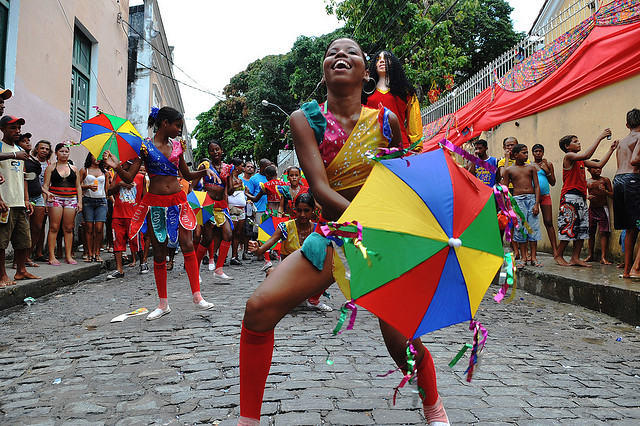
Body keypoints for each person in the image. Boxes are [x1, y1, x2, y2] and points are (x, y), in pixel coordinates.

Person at [238, 38, 449, 426]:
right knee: (258, 309)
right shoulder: (304, 119)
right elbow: (319, 189)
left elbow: (402, 181)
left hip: (381, 239)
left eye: (351, 53)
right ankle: (247, 420)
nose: (340, 56)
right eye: (332, 52)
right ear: (324, 70)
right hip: (335, 234)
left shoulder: (387, 121)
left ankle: (435, 410)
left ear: (366, 73)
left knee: (400, 340)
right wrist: (361, 223)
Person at [103, 106, 218, 320]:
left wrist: (204, 171)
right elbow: (128, 178)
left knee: (188, 244)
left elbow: (186, 173)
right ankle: (163, 303)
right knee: (159, 252)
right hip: (154, 203)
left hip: (178, 201)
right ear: (165, 123)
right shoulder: (145, 147)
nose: (179, 131)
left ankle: (197, 296)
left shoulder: (178, 146)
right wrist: (116, 166)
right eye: (177, 126)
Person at [249, 193, 332, 312]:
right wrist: (256, 249)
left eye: (306, 210)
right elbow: (262, 250)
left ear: (313, 211)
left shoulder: (317, 229)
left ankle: (313, 300)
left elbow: (330, 212)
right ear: (294, 210)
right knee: (271, 272)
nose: (302, 214)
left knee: (333, 268)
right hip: (288, 276)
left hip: (309, 276)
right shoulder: (285, 227)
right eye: (299, 210)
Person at [555, 130, 617, 267]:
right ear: (567, 146)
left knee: (582, 229)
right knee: (568, 227)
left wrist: (611, 150)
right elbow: (588, 154)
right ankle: (558, 255)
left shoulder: (581, 161)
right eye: (575, 141)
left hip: (581, 198)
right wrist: (600, 137)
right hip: (570, 197)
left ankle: (575, 258)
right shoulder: (569, 157)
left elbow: (599, 164)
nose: (579, 143)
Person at [0, 115, 39, 286]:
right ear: (3, 129)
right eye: (12, 128)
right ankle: (2, 275)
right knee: (1, 242)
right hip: (5, 203)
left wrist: (27, 200)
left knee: (24, 240)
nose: (17, 131)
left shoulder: (19, 150)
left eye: (18, 128)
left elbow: (23, 177)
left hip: (19, 203)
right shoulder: (2, 147)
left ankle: (21, 271)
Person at [363, 50, 422, 150]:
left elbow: (414, 123)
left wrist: (416, 148)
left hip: (402, 148)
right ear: (374, 65)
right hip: (373, 150)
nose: (381, 61)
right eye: (378, 59)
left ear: (394, 64)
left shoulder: (405, 92)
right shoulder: (366, 94)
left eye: (386, 59)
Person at [193, 140, 233, 279]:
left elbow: (230, 189)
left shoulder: (228, 167)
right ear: (209, 152)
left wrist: (233, 180)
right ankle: (195, 270)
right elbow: (193, 185)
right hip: (208, 205)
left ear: (221, 150)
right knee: (207, 239)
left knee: (228, 234)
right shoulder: (205, 166)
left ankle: (219, 269)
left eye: (217, 149)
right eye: (212, 150)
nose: (215, 152)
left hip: (221, 205)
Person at [500, 144, 541, 267]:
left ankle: (533, 257)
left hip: (531, 199)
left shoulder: (531, 168)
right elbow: (505, 189)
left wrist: (537, 203)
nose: (527, 155)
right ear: (516, 155)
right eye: (524, 153)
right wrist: (506, 207)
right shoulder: (509, 170)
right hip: (517, 201)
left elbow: (537, 186)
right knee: (521, 229)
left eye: (527, 152)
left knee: (533, 229)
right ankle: (523, 257)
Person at [42, 143, 82, 266]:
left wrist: (80, 202)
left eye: (66, 151)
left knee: (69, 228)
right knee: (54, 227)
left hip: (71, 199)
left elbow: (78, 186)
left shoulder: (74, 168)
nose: (64, 154)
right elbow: (45, 186)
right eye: (61, 151)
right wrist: (46, 202)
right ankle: (52, 256)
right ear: (56, 153)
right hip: (56, 199)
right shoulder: (51, 168)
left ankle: (68, 256)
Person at [105, 160, 147, 279]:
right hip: (118, 215)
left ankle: (143, 262)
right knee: (117, 241)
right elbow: (109, 191)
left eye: (125, 162)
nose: (122, 164)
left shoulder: (140, 177)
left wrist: (143, 213)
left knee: (137, 242)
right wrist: (119, 185)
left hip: (134, 215)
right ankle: (119, 269)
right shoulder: (117, 175)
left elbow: (144, 197)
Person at [613, 108, 640, 278]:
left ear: (627, 124)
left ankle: (627, 271)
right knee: (636, 225)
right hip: (633, 180)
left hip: (619, 181)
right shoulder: (639, 136)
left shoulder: (622, 142)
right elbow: (635, 160)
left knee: (631, 229)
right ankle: (636, 269)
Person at [17, 133, 42, 267]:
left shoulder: (32, 158)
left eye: (29, 140)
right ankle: (18, 260)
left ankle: (27, 256)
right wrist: (25, 198)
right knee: (24, 229)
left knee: (37, 227)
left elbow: (35, 178)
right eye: (24, 141)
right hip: (24, 196)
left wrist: (45, 192)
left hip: (38, 196)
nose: (27, 143)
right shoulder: (17, 156)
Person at [79, 153, 110, 262]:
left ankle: (97, 253)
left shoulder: (105, 172)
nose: (97, 159)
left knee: (99, 228)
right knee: (89, 228)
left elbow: (107, 190)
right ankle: (89, 253)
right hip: (88, 200)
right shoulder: (84, 170)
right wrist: (88, 186)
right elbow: (78, 186)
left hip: (101, 201)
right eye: (94, 156)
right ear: (90, 157)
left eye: (99, 157)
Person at [531, 144, 558, 256]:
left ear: (543, 152)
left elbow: (553, 182)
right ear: (532, 153)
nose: (538, 153)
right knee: (532, 223)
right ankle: (533, 251)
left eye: (540, 151)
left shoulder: (548, 164)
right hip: (532, 196)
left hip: (545, 195)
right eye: (536, 151)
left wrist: (546, 171)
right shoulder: (529, 165)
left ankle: (555, 250)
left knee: (548, 221)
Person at [585, 161, 613, 265]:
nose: (598, 170)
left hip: (603, 209)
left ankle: (603, 257)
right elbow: (581, 194)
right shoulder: (587, 181)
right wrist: (586, 197)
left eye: (600, 168)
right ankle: (591, 255)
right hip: (592, 209)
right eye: (595, 168)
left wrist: (605, 192)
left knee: (603, 232)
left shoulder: (605, 180)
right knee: (590, 232)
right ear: (589, 170)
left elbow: (612, 194)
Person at [246, 159, 272, 269]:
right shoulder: (254, 179)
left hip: (270, 209)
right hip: (259, 209)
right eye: (266, 166)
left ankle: (268, 253)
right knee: (260, 232)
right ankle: (261, 253)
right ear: (261, 167)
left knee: (270, 232)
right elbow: (251, 195)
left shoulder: (271, 177)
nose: (268, 168)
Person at [228, 158, 247, 266]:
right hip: (233, 209)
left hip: (241, 209)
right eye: (242, 166)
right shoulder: (230, 177)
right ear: (236, 167)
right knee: (230, 233)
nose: (243, 168)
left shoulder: (239, 178)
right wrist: (235, 186)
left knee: (238, 233)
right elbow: (229, 191)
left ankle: (234, 256)